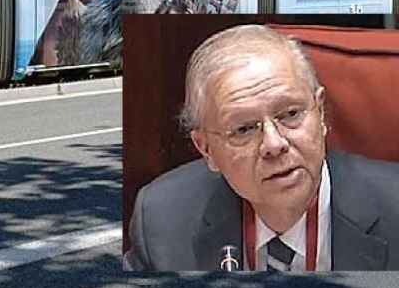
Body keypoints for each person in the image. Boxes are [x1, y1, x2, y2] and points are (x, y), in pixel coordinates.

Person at [124, 24, 399, 271]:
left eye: (291, 114)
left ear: (321, 114)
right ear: (206, 149)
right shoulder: (162, 220)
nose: (274, 144)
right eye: (243, 129)